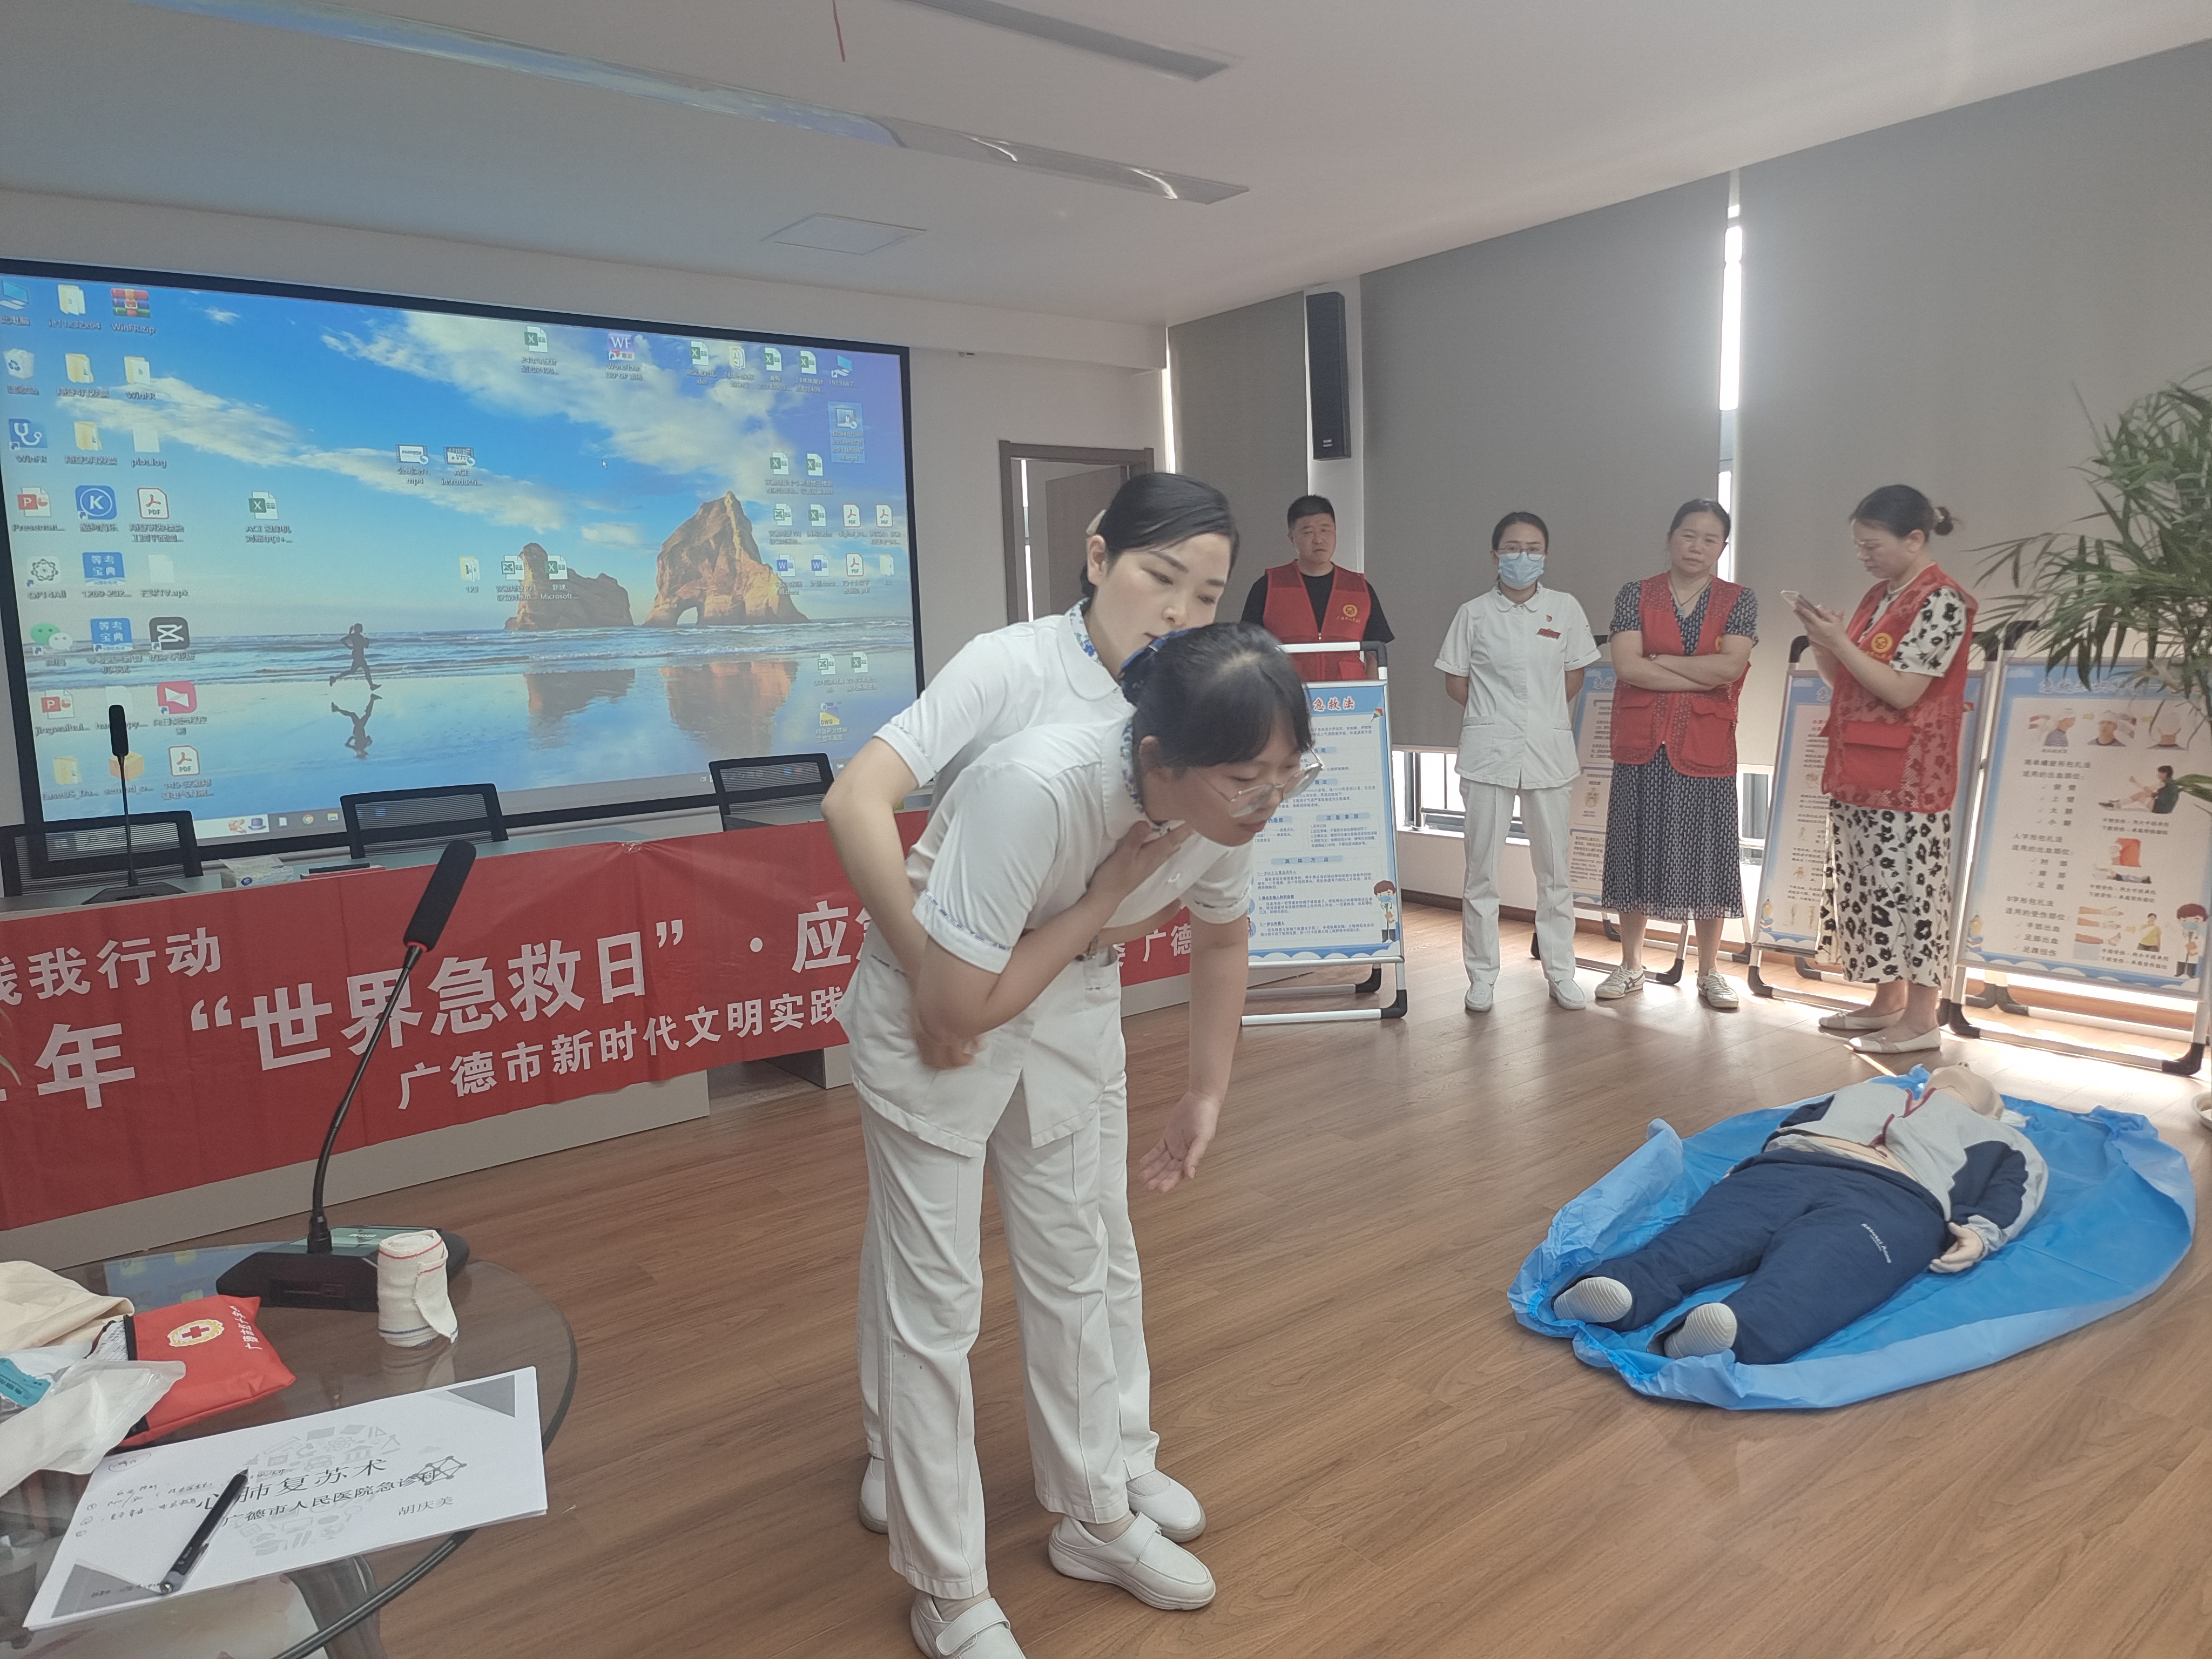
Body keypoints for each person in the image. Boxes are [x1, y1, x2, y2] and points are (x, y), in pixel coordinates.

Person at [839, 625, 1316, 1658]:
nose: (1269, 799)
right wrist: (1103, 900)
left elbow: (1222, 936)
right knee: (936, 1308)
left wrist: (1204, 1092)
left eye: (1288, 772)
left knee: (1076, 1263)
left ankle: (1095, 1515)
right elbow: (954, 1006)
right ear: (1158, 759)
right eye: (1249, 779)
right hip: (935, 1013)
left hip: (1062, 1002)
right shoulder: (1035, 789)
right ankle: (948, 1587)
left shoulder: (1226, 803)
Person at [822, 472, 1237, 1561]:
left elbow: (1212, 912)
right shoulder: (1009, 664)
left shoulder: (1192, 706)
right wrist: (933, 978)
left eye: (1206, 596)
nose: (1178, 613)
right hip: (946, 979)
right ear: (1097, 558)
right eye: (1159, 578)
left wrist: (1202, 1083)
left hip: (1074, 987)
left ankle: (1114, 1458)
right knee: (923, 1248)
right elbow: (856, 798)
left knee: (1092, 1236)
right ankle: (896, 1445)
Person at [1552, 1067, 2045, 1364]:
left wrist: (1749, 1168)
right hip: (1871, 1193)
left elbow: (1792, 1125)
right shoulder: (2001, 1136)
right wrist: (1981, 1235)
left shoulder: (1871, 1092)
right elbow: (2017, 1191)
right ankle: (1708, 1322)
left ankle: (1641, 1294)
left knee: (1719, 1247)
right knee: (1808, 1271)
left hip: (1823, 1177)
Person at [1787, 485, 1977, 1056]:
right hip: (1860, 765)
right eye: (1858, 546)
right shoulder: (1880, 595)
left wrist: (1840, 643)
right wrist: (1825, 642)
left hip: (1911, 776)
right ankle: (1885, 1000)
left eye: (1872, 545)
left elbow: (1902, 690)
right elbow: (1847, 680)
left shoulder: (1943, 600)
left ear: (1914, 539)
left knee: (1914, 893)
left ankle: (1921, 1018)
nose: (1862, 556)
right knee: (1869, 888)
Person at [1435, 511, 1601, 1011]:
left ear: (1545, 555)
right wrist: (1497, 718)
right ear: (1495, 555)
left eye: (1533, 548)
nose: (1522, 557)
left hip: (1548, 753)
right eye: (1512, 548)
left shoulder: (1564, 608)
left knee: (1554, 872)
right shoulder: (1473, 614)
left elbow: (1574, 675)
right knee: (1481, 872)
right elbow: (1456, 681)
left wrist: (1538, 717)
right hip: (1488, 753)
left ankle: (1561, 971)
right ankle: (1482, 976)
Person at [1598, 499, 1757, 1011]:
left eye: (1711, 539)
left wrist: (1662, 660)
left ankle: (1710, 972)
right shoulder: (1635, 594)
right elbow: (1627, 667)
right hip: (1642, 742)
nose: (1698, 547)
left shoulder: (1739, 599)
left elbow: (1730, 669)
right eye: (1689, 535)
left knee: (1709, 855)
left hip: (1707, 744)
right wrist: (1699, 673)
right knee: (1634, 850)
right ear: (1671, 537)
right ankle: (1631, 964)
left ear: (1723, 548)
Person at [1240, 494, 1393, 680]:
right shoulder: (1268, 587)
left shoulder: (1359, 589)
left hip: (1348, 695)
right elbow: (1248, 651)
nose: (1319, 540)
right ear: (1292, 538)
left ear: (1335, 532)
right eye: (1308, 532)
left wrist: (1372, 695)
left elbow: (1374, 656)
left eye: (1325, 530)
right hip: (1289, 692)